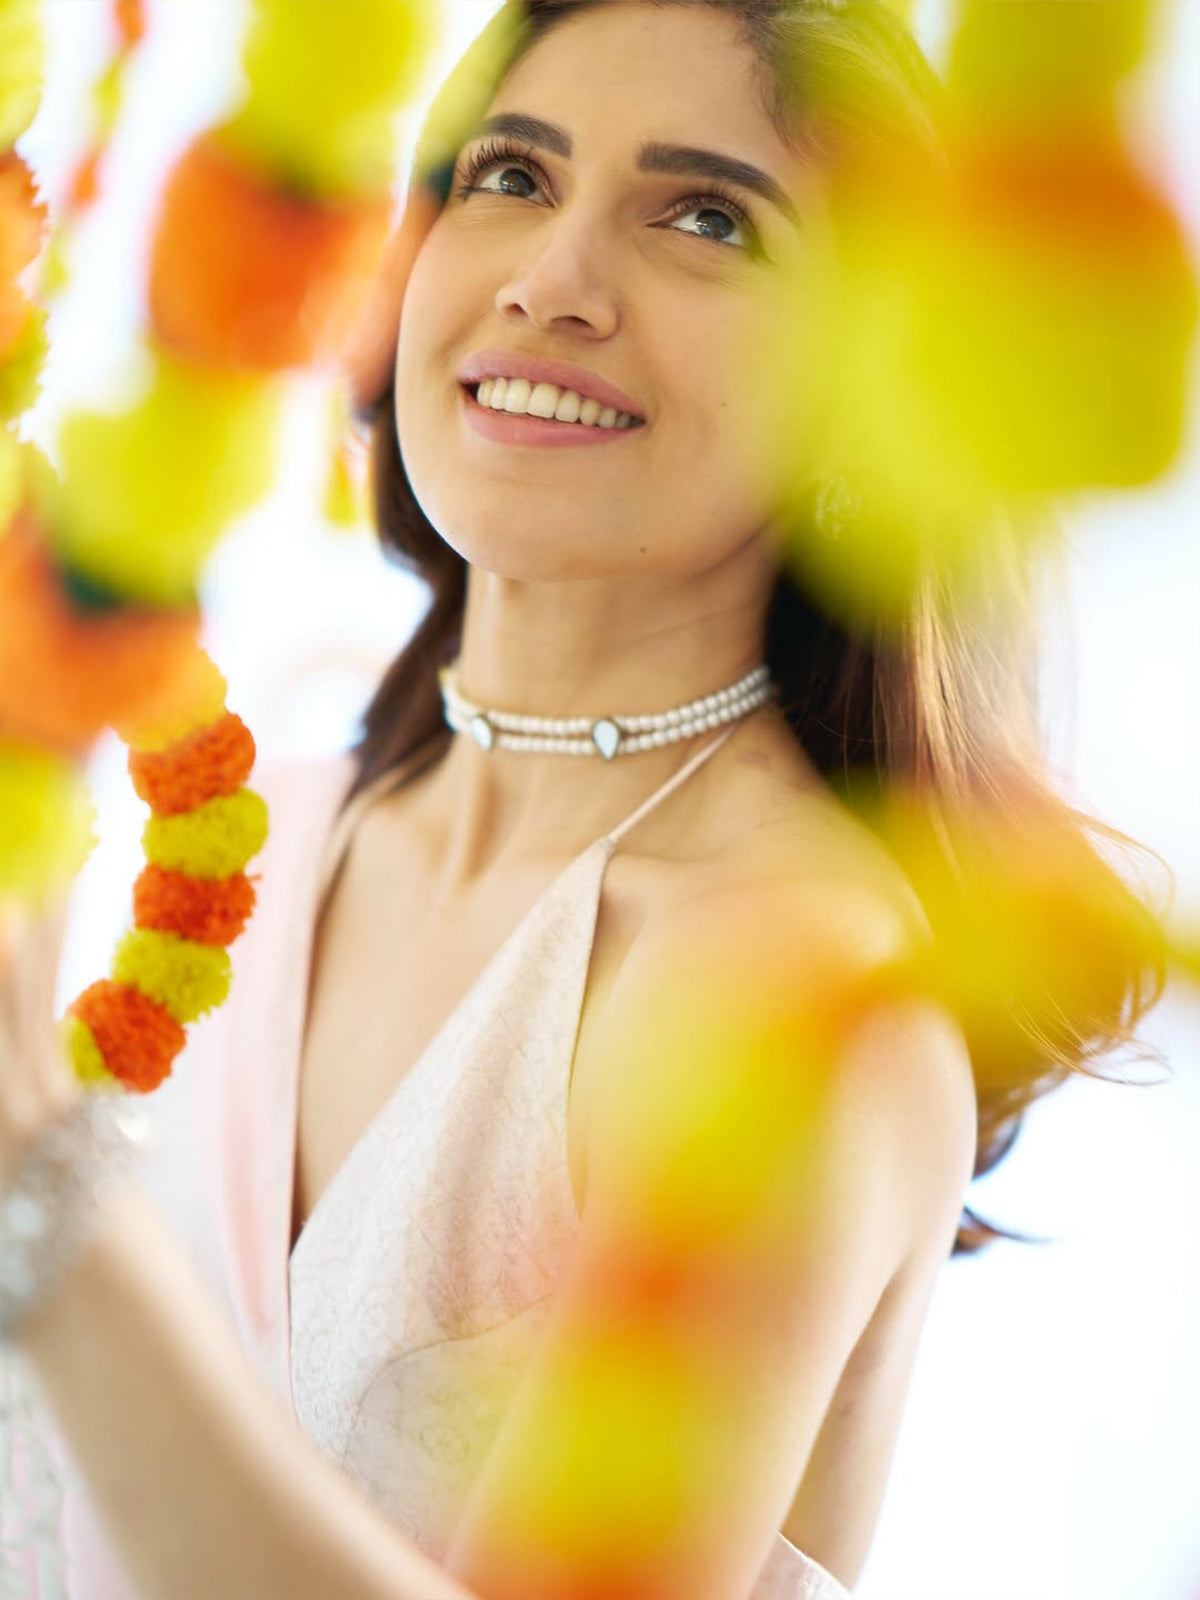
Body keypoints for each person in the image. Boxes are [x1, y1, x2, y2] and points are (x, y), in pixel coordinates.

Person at [0, 3, 1163, 1597]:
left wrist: (45, 1191)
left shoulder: (794, 994)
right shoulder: (275, 819)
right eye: (507, 177)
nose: (553, 280)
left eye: (706, 218)